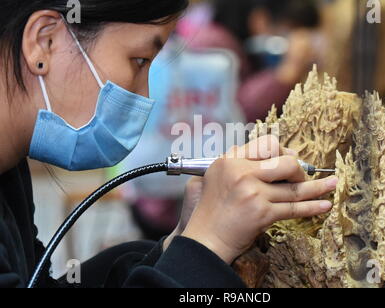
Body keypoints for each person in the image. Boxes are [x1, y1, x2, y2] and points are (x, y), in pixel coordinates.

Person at [0, 0, 337, 288]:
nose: (144, 96)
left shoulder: (9, 173)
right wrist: (206, 245)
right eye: (140, 60)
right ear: (44, 42)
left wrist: (179, 243)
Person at [185, 0, 322, 123]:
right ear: (259, 18)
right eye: (288, 30)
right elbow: (238, 113)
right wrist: (289, 70)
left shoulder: (227, 40)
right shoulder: (213, 45)